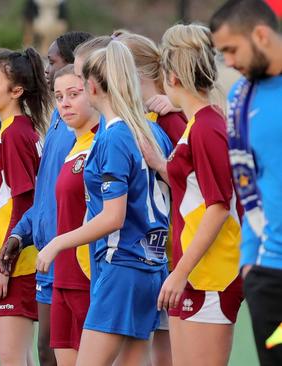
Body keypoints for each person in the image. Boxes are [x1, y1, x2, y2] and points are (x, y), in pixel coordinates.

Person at [37, 41, 172, 366]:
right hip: (151, 266)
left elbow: (114, 216)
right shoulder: (148, 129)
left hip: (122, 265)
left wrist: (58, 242)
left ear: (94, 86)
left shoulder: (113, 136)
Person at [141, 23, 244, 366]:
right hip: (193, 270)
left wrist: (180, 271)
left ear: (172, 76)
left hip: (210, 272)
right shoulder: (195, 125)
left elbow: (218, 205)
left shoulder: (207, 129)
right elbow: (193, 190)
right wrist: (159, 164)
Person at [0, 31, 92, 366]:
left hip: (75, 258)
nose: (47, 69)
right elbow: (45, 192)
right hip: (47, 256)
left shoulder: (97, 130)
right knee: (46, 350)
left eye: (52, 61)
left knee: (71, 352)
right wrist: (21, 234)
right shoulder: (56, 119)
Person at [210, 2, 282, 364]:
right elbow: (246, 182)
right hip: (269, 275)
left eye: (231, 50)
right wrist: (250, 262)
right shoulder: (241, 96)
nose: (228, 62)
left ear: (261, 35)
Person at [115, 30, 187, 366]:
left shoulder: (170, 119)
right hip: (138, 255)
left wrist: (161, 167)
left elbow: (192, 182)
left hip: (168, 252)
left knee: (165, 351)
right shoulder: (129, 119)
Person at [0, 46, 49, 366]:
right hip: (12, 260)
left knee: (12, 358)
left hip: (17, 264)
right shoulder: (11, 130)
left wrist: (2, 267)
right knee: (20, 357)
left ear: (16, 90)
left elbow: (24, 203)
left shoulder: (16, 134)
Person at [49, 64, 99, 366]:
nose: (64, 103)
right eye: (58, 96)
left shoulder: (105, 139)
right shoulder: (73, 144)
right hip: (62, 276)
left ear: (93, 91)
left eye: (73, 94)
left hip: (89, 275)